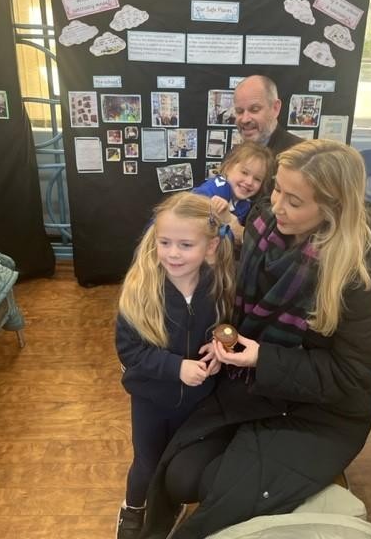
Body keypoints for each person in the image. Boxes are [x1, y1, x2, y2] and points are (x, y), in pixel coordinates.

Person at [140, 139, 371, 539]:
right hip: (254, 387)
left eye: (294, 201)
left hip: (320, 413)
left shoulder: (365, 280)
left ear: (333, 208)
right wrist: (223, 332)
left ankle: (301, 504)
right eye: (276, 188)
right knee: (179, 476)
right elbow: (242, 306)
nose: (276, 205)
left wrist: (263, 358)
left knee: (221, 495)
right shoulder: (263, 228)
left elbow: (352, 375)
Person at [115, 192, 235, 539]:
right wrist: (176, 367)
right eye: (165, 242)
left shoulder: (218, 284)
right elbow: (129, 350)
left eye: (185, 245)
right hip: (150, 400)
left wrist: (220, 348)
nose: (172, 253)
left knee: (176, 459)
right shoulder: (140, 289)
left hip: (198, 400)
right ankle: (134, 507)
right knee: (146, 462)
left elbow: (228, 325)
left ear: (210, 247)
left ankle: (169, 504)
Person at [192, 141, 274, 243]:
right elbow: (188, 207)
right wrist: (208, 207)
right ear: (227, 167)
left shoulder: (246, 205)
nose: (249, 182)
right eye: (244, 172)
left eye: (257, 179)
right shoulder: (216, 188)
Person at [233, 75, 303, 156]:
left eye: (254, 109)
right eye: (239, 111)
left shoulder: (301, 156)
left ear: (275, 108)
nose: (245, 119)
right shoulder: (232, 155)